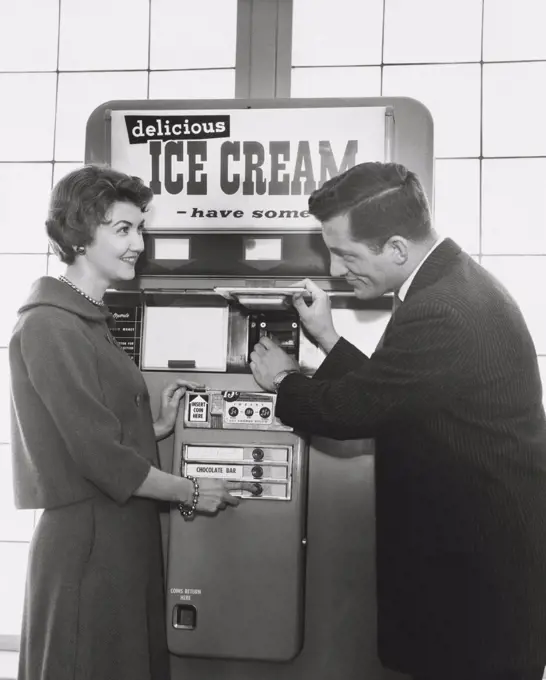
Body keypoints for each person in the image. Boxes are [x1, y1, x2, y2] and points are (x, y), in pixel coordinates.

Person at [249, 161, 546, 680]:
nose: (339, 271)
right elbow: (400, 393)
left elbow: (355, 411)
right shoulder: (452, 284)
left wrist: (283, 380)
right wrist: (329, 338)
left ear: (396, 249)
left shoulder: (443, 309)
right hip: (479, 568)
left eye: (345, 254)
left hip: (474, 584)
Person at [9, 164, 256, 680]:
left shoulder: (82, 319)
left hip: (119, 534)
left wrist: (155, 428)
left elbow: (86, 430)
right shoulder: (50, 326)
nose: (137, 243)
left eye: (140, 228)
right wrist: (190, 491)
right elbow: (97, 455)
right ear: (78, 236)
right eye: (122, 229)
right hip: (91, 541)